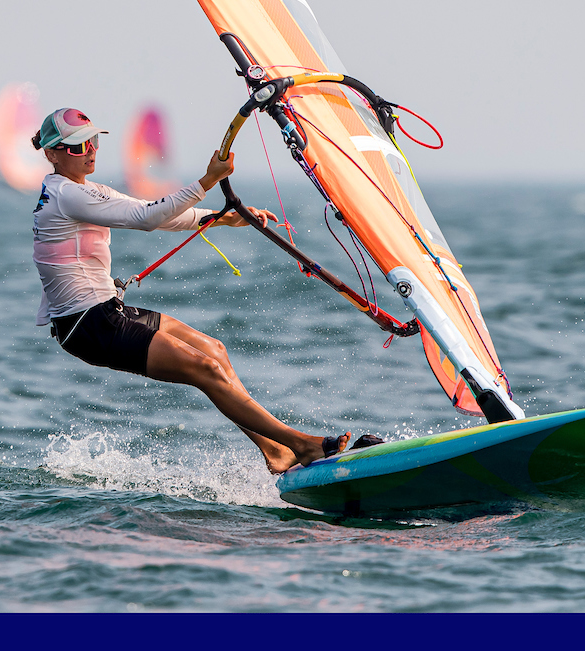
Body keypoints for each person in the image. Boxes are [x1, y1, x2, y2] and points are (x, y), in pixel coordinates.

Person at [30, 107, 352, 473]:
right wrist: (206, 181)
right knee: (204, 368)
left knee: (214, 350)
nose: (89, 150)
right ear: (52, 153)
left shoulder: (82, 192)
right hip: (88, 326)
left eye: (92, 141)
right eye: (76, 147)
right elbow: (146, 220)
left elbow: (155, 211)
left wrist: (222, 219)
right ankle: (301, 444)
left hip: (105, 312)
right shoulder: (67, 197)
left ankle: (275, 452)